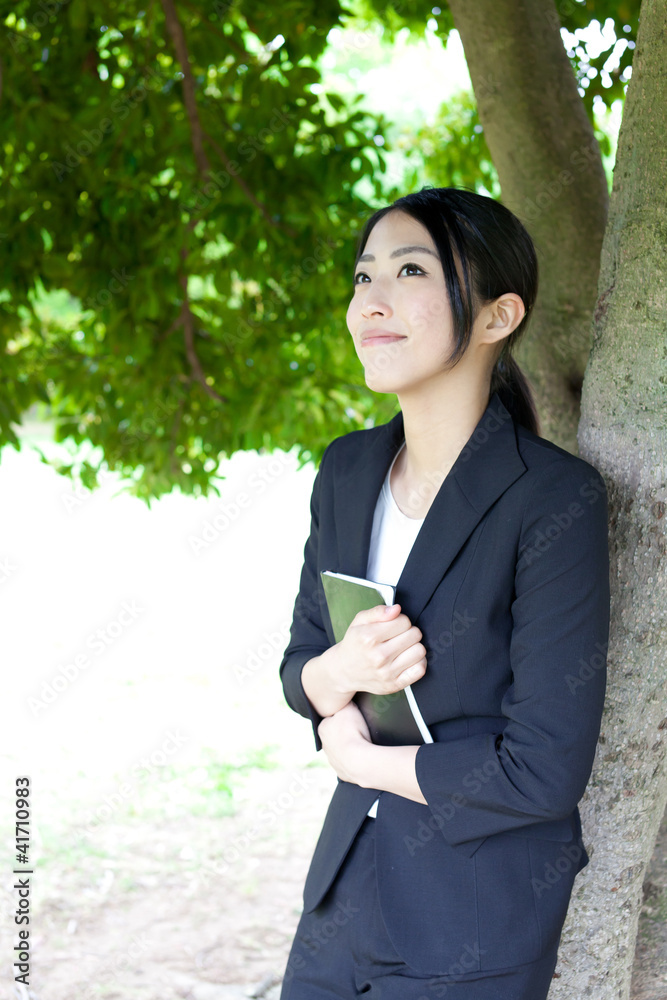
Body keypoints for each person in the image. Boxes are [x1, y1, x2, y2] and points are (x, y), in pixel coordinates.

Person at [277, 187, 610, 999]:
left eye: (409, 270)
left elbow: (541, 771)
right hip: (340, 899)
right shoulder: (347, 469)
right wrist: (341, 669)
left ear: (497, 317)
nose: (370, 302)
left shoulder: (553, 499)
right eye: (362, 278)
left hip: (474, 917)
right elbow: (299, 672)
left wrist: (361, 757)